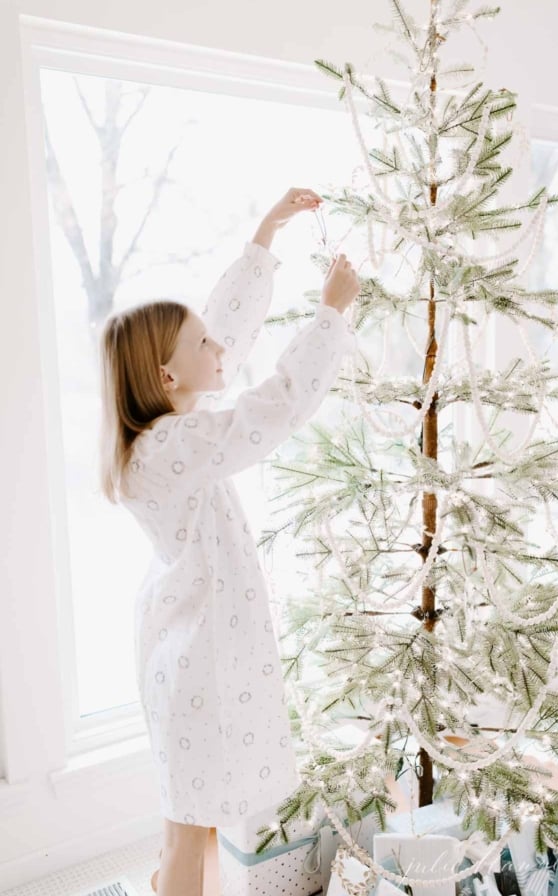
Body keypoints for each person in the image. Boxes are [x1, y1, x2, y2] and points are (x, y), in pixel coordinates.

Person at [98, 186, 360, 896]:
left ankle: (163, 882)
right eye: (203, 345)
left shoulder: (167, 429)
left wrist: (265, 238)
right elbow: (272, 408)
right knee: (192, 831)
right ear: (166, 377)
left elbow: (226, 337)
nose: (222, 348)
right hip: (197, 662)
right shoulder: (174, 447)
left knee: (186, 815)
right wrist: (330, 317)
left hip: (185, 648)